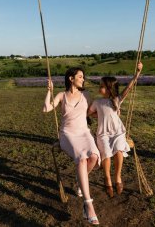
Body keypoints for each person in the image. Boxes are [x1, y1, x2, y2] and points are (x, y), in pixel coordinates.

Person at [43, 67, 100, 225]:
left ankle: (80, 179)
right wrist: (49, 91)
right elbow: (46, 108)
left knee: (94, 157)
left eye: (83, 77)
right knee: (82, 160)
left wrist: (109, 111)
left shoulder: (86, 95)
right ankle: (88, 205)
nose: (83, 79)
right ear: (71, 78)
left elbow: (91, 112)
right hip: (68, 134)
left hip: (84, 132)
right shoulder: (62, 95)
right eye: (80, 76)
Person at [88, 62, 143, 197]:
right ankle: (107, 179)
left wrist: (138, 73)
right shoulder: (97, 102)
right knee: (106, 154)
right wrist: (98, 115)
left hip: (118, 132)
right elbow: (88, 113)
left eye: (101, 86)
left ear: (109, 89)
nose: (99, 88)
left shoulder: (116, 100)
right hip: (103, 134)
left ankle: (117, 177)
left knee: (119, 150)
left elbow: (129, 88)